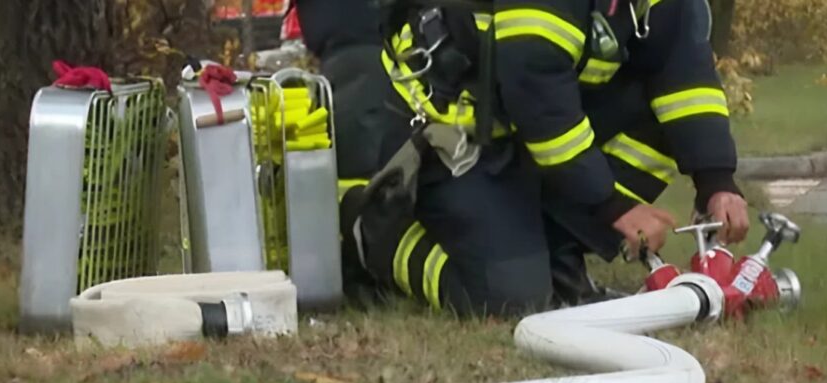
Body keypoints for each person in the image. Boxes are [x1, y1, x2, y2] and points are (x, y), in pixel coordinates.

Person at [296, 0, 753, 316]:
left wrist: (716, 181)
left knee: (658, 115)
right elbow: (539, 99)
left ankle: (556, 251)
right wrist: (610, 206)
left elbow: (685, 71)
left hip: (516, 128)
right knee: (509, 297)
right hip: (450, 131)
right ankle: (373, 231)